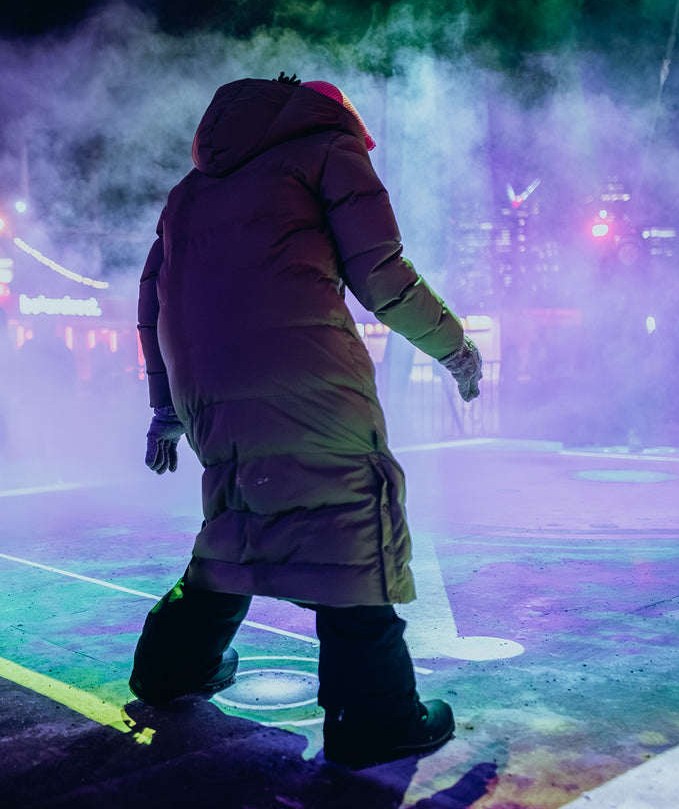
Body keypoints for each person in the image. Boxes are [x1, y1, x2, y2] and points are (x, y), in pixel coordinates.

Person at [131, 74, 483, 769]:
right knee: (348, 513)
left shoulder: (188, 193)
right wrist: (457, 350)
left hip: (213, 394)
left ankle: (168, 671)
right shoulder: (327, 151)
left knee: (237, 516)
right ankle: (374, 718)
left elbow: (154, 303)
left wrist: (166, 410)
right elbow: (381, 275)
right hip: (306, 374)